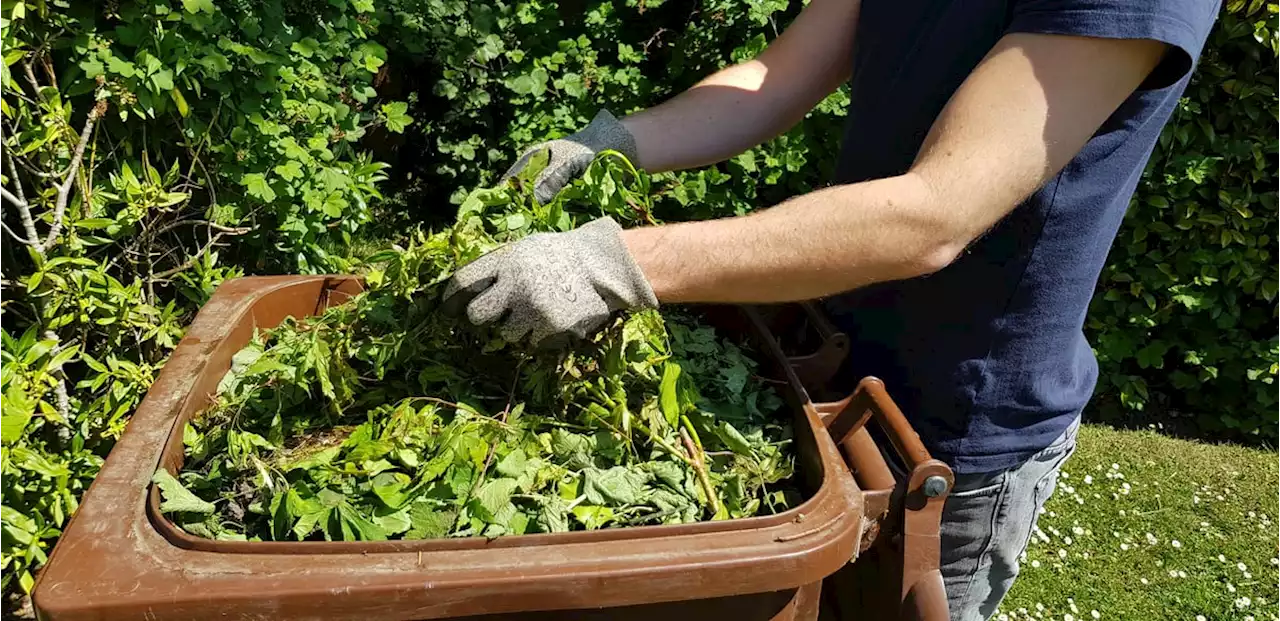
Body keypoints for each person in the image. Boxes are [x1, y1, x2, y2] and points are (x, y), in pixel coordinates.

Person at [443, 1, 1220, 619]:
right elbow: (776, 78)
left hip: (951, 434)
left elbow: (937, 213)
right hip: (829, 371)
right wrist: (615, 140)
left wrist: (619, 260)